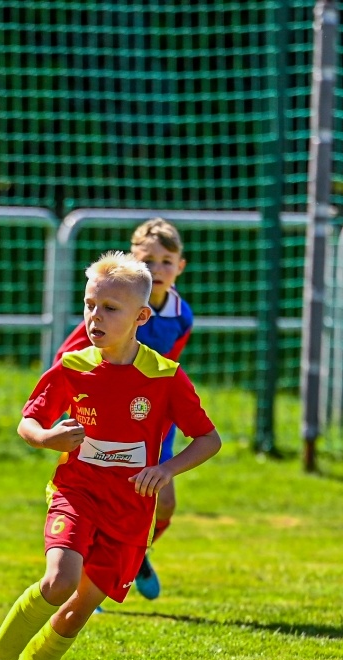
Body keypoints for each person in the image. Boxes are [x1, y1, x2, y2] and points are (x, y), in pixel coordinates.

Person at [0, 252, 221, 660]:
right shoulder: (72, 367)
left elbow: (208, 439)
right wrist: (46, 438)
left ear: (141, 317)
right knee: (60, 581)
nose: (96, 316)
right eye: (90, 304)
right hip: (77, 492)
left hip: (131, 513)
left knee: (76, 612)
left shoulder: (165, 377)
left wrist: (166, 469)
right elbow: (28, 421)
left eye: (110, 308)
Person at [54, 219, 194, 599]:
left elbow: (168, 371)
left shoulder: (182, 316)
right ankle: (89, 581)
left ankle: (137, 555)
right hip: (103, 424)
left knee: (164, 504)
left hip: (150, 423)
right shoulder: (116, 307)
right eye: (148, 261)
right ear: (133, 262)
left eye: (167, 261)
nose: (158, 269)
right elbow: (68, 358)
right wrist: (72, 408)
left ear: (180, 267)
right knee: (98, 502)